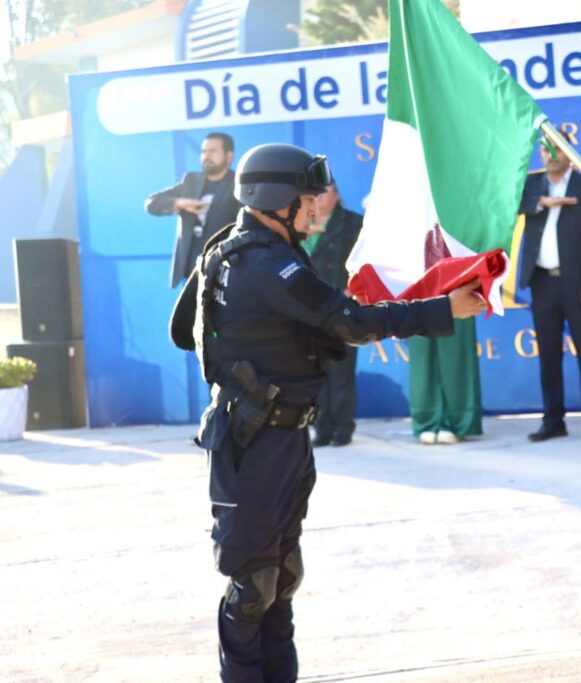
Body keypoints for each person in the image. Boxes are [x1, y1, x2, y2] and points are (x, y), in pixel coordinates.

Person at [168, 143, 486, 682]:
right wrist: (443, 309)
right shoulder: (264, 262)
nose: (317, 207)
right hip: (252, 441)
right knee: (253, 587)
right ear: (276, 201)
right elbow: (350, 323)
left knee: (281, 578)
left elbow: (186, 330)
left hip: (284, 436)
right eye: (307, 198)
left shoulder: (246, 246)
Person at [518, 140, 581, 441]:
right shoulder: (531, 185)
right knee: (548, 355)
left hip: (578, 283)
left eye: (557, 148)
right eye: (545, 149)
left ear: (569, 154)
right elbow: (505, 202)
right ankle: (553, 420)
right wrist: (540, 203)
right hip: (542, 282)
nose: (550, 154)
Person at [305, 182, 363, 448]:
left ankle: (343, 427)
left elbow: (365, 261)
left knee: (341, 369)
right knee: (317, 371)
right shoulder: (302, 224)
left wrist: (354, 289)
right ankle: (322, 427)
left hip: (342, 304)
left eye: (325, 191)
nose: (319, 197)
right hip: (309, 309)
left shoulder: (353, 223)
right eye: (315, 193)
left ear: (337, 194)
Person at [146, 132, 244, 288]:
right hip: (192, 274)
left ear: (229, 156)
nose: (206, 156)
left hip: (224, 272)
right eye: (204, 151)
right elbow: (151, 203)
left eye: (212, 151)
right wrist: (180, 203)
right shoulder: (191, 182)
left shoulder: (238, 185)